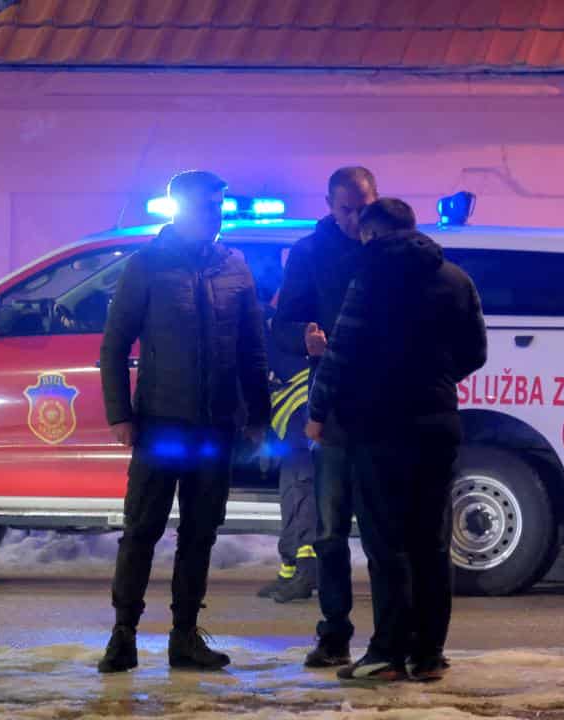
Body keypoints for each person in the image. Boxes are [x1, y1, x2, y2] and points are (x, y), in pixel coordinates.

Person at [306, 198, 487, 682]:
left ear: (372, 234)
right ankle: (428, 654)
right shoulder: (455, 277)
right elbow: (475, 352)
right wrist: (435, 378)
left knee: (387, 544)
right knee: (430, 542)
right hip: (437, 422)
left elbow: (341, 353)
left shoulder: (370, 278)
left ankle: (386, 651)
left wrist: (318, 413)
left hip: (379, 424)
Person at [97, 170, 271, 674]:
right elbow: (113, 347)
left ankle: (185, 637)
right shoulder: (146, 266)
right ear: (181, 209)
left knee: (200, 534)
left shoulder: (234, 268)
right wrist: (121, 415)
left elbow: (251, 350)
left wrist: (257, 415)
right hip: (160, 425)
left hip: (215, 428)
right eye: (206, 207)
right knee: (142, 531)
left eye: (220, 206)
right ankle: (123, 634)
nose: (215, 215)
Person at [269, 167, 378, 664]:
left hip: (386, 406)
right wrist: (303, 340)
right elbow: (283, 322)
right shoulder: (311, 253)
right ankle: (334, 635)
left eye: (362, 206)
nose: (354, 218)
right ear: (330, 205)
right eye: (345, 209)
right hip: (332, 404)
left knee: (384, 532)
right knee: (331, 529)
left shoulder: (394, 248)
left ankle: (394, 640)